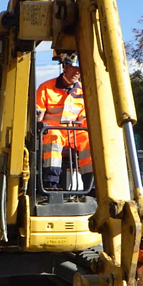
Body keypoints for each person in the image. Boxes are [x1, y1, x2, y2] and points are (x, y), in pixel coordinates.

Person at [35, 53, 93, 190]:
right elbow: (38, 112)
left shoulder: (83, 90)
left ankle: (91, 184)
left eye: (79, 69)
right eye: (73, 68)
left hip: (75, 132)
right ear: (65, 67)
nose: (77, 72)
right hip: (52, 130)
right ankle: (51, 182)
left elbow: (84, 116)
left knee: (88, 141)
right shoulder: (46, 87)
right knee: (53, 138)